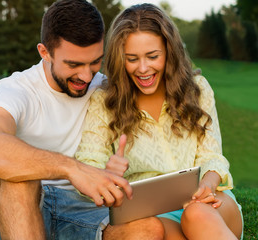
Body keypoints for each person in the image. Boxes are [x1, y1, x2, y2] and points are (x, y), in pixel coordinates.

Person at [75, 3, 244, 240]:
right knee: (155, 231)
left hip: (209, 205)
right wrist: (104, 174)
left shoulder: (198, 90)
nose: (143, 69)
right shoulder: (105, 101)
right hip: (157, 216)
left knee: (196, 213)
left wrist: (208, 182)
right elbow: (87, 163)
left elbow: (212, 155)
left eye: (153, 56)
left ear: (169, 51)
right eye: (132, 59)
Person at [0, 0, 138, 239]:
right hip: (20, 202)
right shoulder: (16, 89)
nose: (86, 75)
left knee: (147, 229)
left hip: (85, 210)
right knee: (21, 176)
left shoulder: (104, 88)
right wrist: (72, 169)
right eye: (73, 64)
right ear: (45, 52)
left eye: (94, 62)